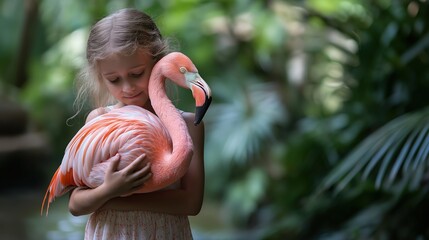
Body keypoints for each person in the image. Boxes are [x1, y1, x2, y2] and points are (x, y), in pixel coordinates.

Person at [68, 8, 205, 239]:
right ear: (100, 77)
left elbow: (191, 203)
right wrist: (108, 190)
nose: (127, 88)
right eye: (114, 79)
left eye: (137, 73)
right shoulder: (100, 121)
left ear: (158, 61)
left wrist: (112, 200)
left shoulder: (189, 125)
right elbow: (75, 203)